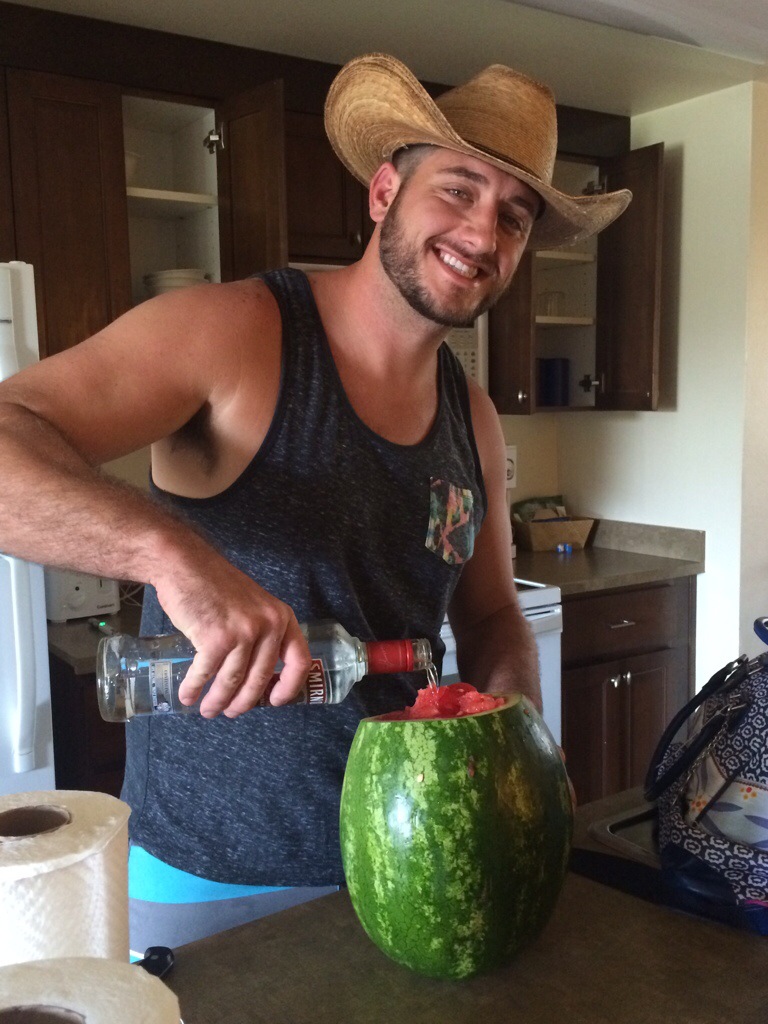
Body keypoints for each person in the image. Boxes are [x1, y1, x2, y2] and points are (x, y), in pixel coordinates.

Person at [0, 53, 630, 951]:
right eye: (458, 191)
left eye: (514, 217)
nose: (483, 233)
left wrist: (521, 736)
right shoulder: (235, 332)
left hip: (411, 869)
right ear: (384, 193)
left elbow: (491, 617)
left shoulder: (475, 420)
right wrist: (168, 556)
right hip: (206, 882)